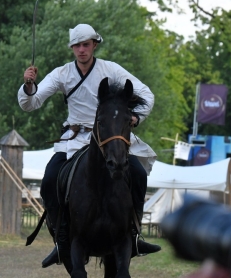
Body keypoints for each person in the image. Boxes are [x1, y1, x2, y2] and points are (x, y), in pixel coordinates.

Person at [18, 24, 161, 269]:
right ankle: (62, 242)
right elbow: (31, 103)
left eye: (86, 44)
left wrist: (136, 117)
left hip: (109, 138)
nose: (81, 50)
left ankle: (135, 236)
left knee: (137, 173)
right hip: (73, 141)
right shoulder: (63, 74)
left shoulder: (111, 69)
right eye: (77, 45)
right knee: (50, 180)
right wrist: (29, 86)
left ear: (95, 44)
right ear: (72, 48)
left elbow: (146, 94)